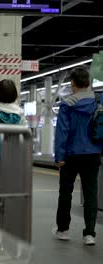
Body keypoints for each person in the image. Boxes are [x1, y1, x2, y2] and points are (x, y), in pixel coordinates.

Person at [53, 66, 101, 245]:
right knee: (91, 194)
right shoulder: (97, 101)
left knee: (65, 192)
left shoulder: (66, 104)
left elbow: (62, 132)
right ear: (88, 82)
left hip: (71, 155)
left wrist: (59, 157)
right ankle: (89, 233)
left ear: (72, 83)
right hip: (93, 154)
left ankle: (63, 230)